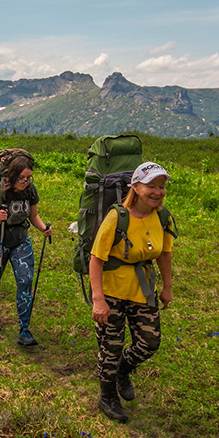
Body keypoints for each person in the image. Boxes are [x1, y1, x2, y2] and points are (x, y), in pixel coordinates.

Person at [90, 161, 176, 423]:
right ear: (136, 188)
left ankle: (122, 371)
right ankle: (107, 397)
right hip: (112, 291)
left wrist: (167, 287)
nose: (158, 192)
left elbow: (165, 254)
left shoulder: (163, 217)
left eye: (161, 187)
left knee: (149, 342)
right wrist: (99, 300)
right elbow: (96, 258)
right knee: (110, 347)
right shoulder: (117, 217)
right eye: (152, 186)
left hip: (142, 289)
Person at [0, 156, 52, 346]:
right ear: (12, 176)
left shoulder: (30, 190)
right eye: (22, 178)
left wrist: (43, 229)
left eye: (29, 178)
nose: (25, 182)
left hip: (21, 239)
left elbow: (34, 215)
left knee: (25, 280)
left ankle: (25, 329)